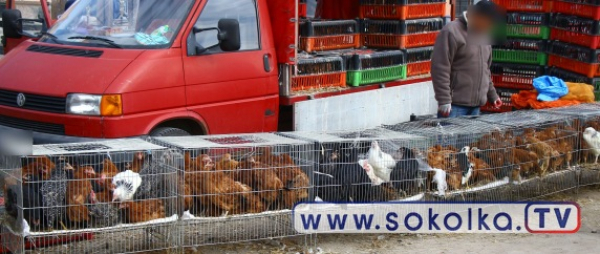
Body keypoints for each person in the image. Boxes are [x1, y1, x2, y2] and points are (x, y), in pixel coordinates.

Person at [431, 0, 504, 118]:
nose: (490, 26)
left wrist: (492, 95)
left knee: (471, 137)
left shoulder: (485, 35)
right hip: (454, 106)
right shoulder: (451, 31)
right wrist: (444, 99)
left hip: (475, 107)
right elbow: (440, 67)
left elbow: (485, 69)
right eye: (489, 23)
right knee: (448, 137)